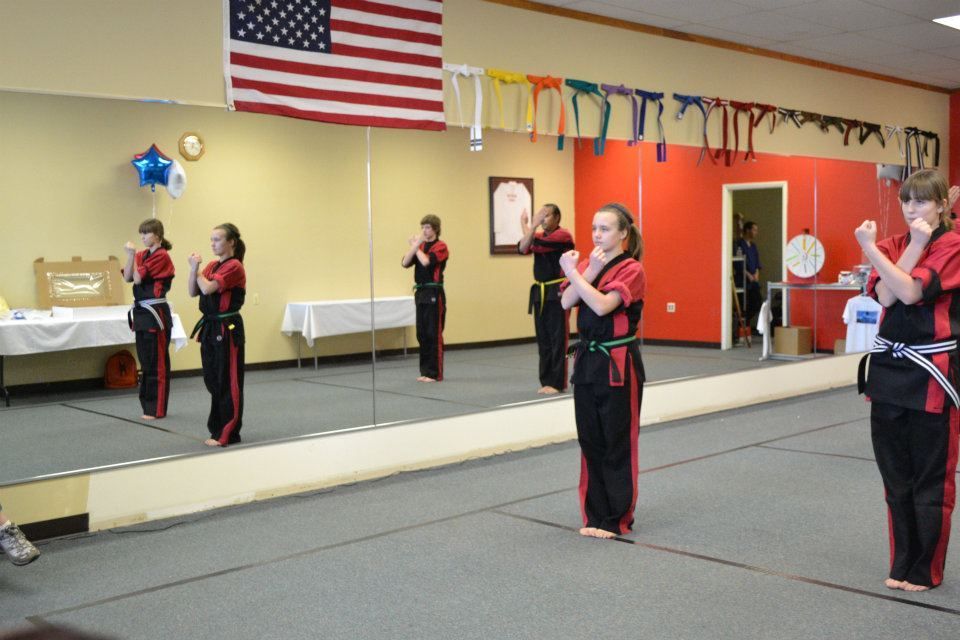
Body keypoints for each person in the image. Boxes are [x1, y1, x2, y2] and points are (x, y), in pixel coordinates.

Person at [855, 169, 960, 592]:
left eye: (922, 201)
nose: (912, 209)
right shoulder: (891, 244)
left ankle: (925, 570)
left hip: (932, 375)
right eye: (906, 201)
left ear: (941, 205)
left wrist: (877, 250)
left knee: (931, 478)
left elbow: (913, 292)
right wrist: (895, 248)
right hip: (889, 373)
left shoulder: (952, 244)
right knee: (896, 477)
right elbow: (885, 296)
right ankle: (901, 564)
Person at [560, 203, 646, 539]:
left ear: (623, 233)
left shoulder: (632, 269)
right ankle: (593, 514)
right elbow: (567, 302)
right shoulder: (589, 265)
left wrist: (575, 273)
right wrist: (586, 272)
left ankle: (616, 518)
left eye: (605, 228)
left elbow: (601, 305)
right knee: (590, 440)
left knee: (617, 441)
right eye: (594, 228)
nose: (597, 234)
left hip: (618, 362)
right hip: (587, 362)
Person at [188, 223, 247, 447]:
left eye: (218, 239)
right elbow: (193, 290)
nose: (213, 243)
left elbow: (208, 288)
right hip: (210, 327)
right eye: (211, 239)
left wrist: (197, 269)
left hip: (228, 327)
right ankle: (216, 428)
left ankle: (229, 433)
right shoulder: (212, 265)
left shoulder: (235, 267)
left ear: (231, 242)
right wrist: (194, 270)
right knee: (212, 379)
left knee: (227, 380)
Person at [518, 205, 576, 394]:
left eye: (546, 215)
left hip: (558, 289)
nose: (542, 218)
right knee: (543, 339)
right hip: (540, 291)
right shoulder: (539, 235)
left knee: (558, 338)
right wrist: (526, 225)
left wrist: (529, 226)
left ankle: (558, 383)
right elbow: (522, 247)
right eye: (540, 215)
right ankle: (546, 381)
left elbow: (534, 243)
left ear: (557, 217)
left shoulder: (563, 235)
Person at [122, 219, 175, 420]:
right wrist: (130, 257)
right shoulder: (142, 255)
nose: (142, 237)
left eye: (146, 233)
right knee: (145, 361)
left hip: (156, 313)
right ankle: (147, 405)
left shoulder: (162, 256)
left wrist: (131, 255)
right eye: (141, 233)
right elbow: (128, 277)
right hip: (142, 313)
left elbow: (137, 278)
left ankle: (157, 408)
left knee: (157, 362)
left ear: (158, 235)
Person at [402, 215, 449, 382]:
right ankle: (425, 371)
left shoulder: (440, 246)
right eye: (422, 227)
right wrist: (414, 246)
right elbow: (405, 262)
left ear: (435, 229)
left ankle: (435, 373)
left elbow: (426, 262)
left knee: (433, 333)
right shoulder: (419, 247)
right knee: (422, 334)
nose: (424, 230)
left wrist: (416, 247)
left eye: (427, 227)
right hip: (421, 293)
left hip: (434, 293)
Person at [734, 220, 762, 332]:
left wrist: (756, 273)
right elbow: (738, 263)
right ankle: (742, 327)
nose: (756, 232)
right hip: (743, 280)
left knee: (757, 303)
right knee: (743, 305)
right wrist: (748, 274)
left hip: (753, 280)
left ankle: (746, 324)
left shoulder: (753, 246)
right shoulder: (739, 244)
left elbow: (757, 262)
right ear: (747, 230)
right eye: (754, 230)